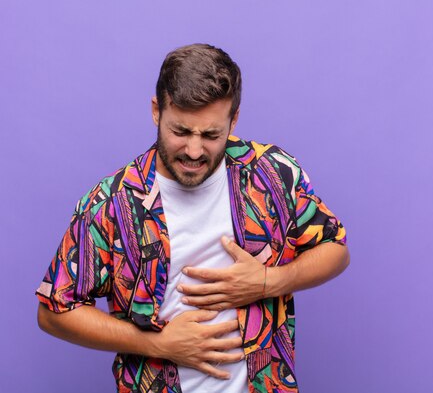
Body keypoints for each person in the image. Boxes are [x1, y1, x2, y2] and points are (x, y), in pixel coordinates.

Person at [35, 43, 349, 393]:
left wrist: (269, 281)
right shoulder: (112, 204)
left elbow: (335, 248)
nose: (194, 151)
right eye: (181, 131)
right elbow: (53, 312)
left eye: (212, 135)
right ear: (157, 111)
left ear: (234, 119)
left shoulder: (271, 173)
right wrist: (157, 344)